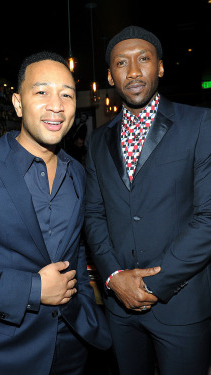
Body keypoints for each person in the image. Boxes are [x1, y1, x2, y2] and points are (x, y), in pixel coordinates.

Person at [0, 51, 111, 375]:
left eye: (67, 94)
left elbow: (75, 248)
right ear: (17, 103)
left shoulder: (78, 173)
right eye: (41, 91)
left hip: (73, 348)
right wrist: (32, 289)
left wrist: (85, 307)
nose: (56, 105)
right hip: (1, 355)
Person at [84, 25, 211, 375]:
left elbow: (208, 218)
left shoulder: (200, 123)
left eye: (144, 59)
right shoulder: (98, 140)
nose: (134, 71)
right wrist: (113, 277)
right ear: (111, 75)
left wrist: (152, 285)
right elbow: (94, 214)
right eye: (122, 63)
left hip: (181, 304)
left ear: (161, 67)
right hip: (119, 307)